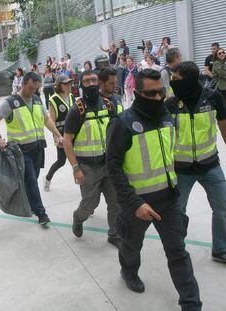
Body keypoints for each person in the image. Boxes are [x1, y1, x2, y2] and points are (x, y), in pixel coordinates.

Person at [106, 69, 202, 310]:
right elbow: (113, 168)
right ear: (137, 93)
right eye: (152, 93)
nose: (158, 97)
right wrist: (135, 203)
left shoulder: (167, 116)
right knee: (131, 246)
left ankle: (191, 303)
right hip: (137, 203)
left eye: (161, 91)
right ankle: (128, 272)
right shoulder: (123, 123)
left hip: (168, 200)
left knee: (178, 251)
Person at [166, 61, 226, 263]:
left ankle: (220, 249)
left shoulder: (213, 97)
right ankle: (177, 247)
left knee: (222, 208)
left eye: (177, 79)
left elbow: (224, 128)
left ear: (190, 79)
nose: (174, 82)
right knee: (178, 210)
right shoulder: (171, 104)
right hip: (181, 169)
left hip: (210, 165)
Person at [0, 72, 63, 225]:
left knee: (32, 178)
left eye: (36, 89)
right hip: (21, 150)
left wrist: (58, 134)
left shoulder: (36, 100)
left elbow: (46, 120)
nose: (33, 92)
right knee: (31, 179)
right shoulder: (11, 102)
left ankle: (28, 202)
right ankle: (41, 213)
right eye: (30, 88)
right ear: (22, 84)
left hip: (38, 147)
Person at [63, 69, 122, 247]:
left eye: (94, 80)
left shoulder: (109, 105)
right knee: (90, 205)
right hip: (88, 167)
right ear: (80, 85)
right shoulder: (76, 110)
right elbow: (67, 141)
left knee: (115, 203)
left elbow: (117, 132)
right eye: (87, 81)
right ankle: (78, 218)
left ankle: (114, 234)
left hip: (108, 164)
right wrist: (75, 168)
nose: (91, 84)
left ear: (99, 82)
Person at [44, 74, 75, 191]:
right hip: (61, 135)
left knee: (80, 159)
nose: (68, 85)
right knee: (61, 161)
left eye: (69, 83)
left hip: (74, 134)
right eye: (65, 84)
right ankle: (47, 179)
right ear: (59, 85)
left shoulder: (72, 97)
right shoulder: (53, 100)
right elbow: (51, 121)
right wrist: (57, 137)